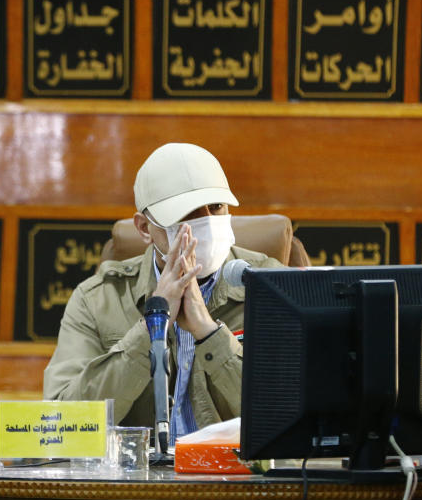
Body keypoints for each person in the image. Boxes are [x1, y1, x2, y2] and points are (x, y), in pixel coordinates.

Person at [42, 142, 283, 441]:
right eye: (188, 213)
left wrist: (209, 333)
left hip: (234, 481)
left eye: (217, 207)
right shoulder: (97, 298)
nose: (207, 221)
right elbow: (61, 423)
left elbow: (287, 410)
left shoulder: (271, 286)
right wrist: (150, 329)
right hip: (136, 481)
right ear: (144, 228)